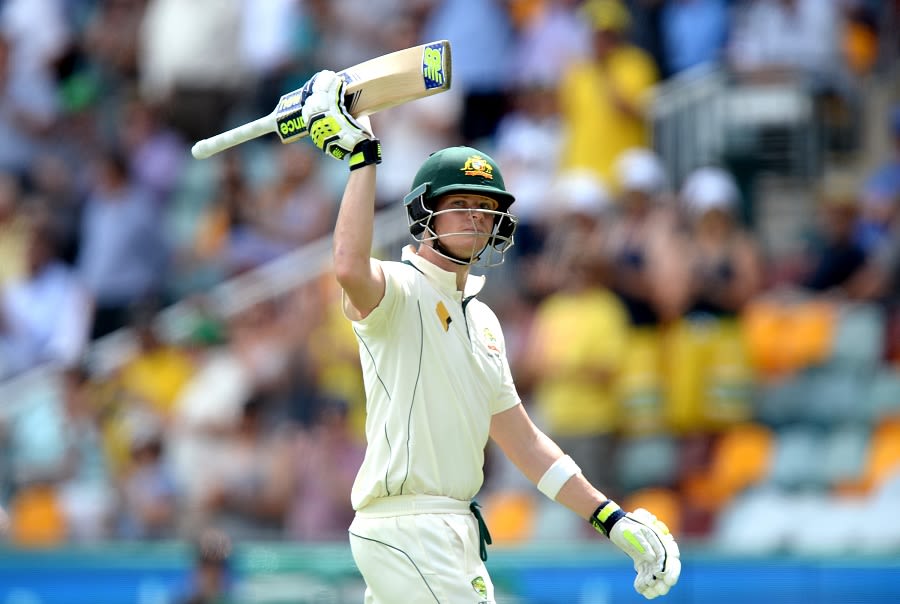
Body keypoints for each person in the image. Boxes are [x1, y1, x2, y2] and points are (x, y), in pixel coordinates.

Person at [294, 69, 681, 602]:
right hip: (410, 526)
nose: (478, 219)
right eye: (462, 206)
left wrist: (611, 519)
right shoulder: (399, 291)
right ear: (424, 212)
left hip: (450, 530)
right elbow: (348, 267)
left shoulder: (484, 322)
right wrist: (362, 158)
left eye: (488, 209)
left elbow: (525, 443)